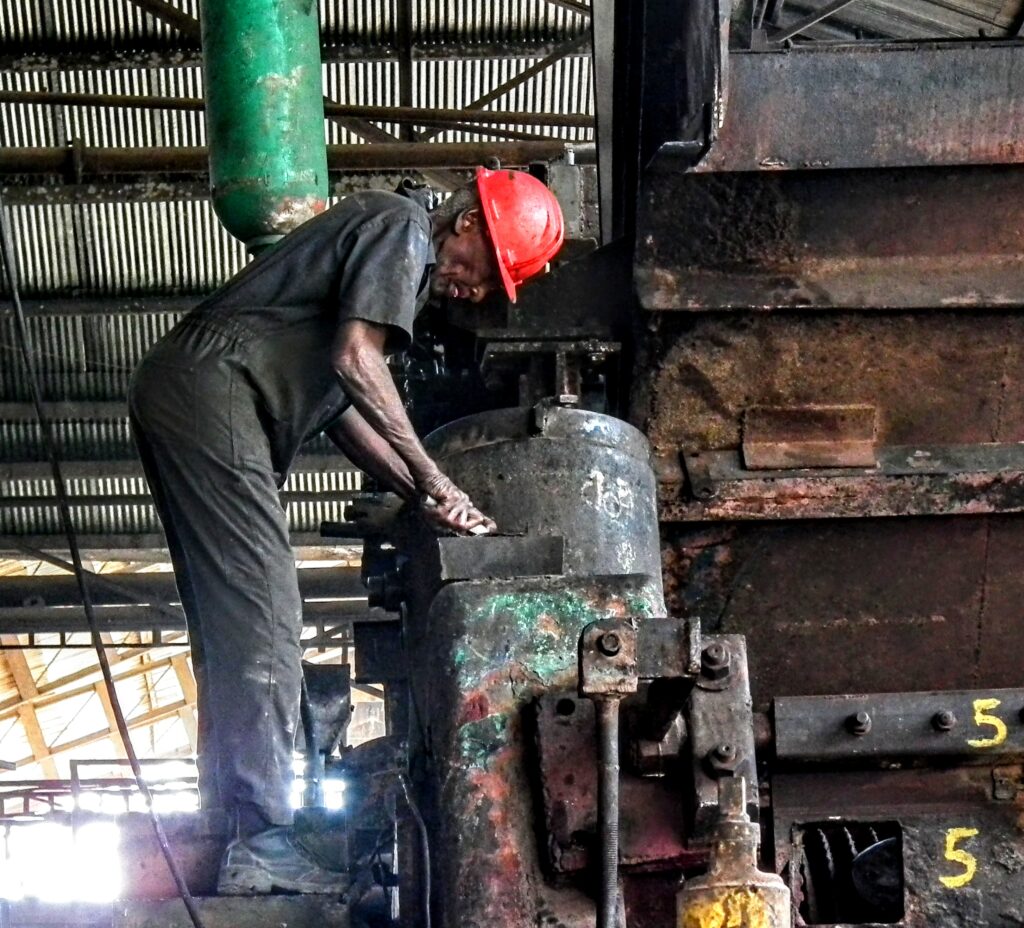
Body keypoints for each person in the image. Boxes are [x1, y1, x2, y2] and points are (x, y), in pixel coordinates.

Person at [128, 167, 564, 894]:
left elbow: (342, 407)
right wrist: (436, 476)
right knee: (265, 614)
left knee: (231, 624)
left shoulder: (393, 261)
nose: (477, 291)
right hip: (217, 390)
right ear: (467, 225)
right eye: (487, 270)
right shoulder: (400, 230)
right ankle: (262, 839)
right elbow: (355, 362)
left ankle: (232, 826)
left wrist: (422, 496)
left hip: (191, 388)